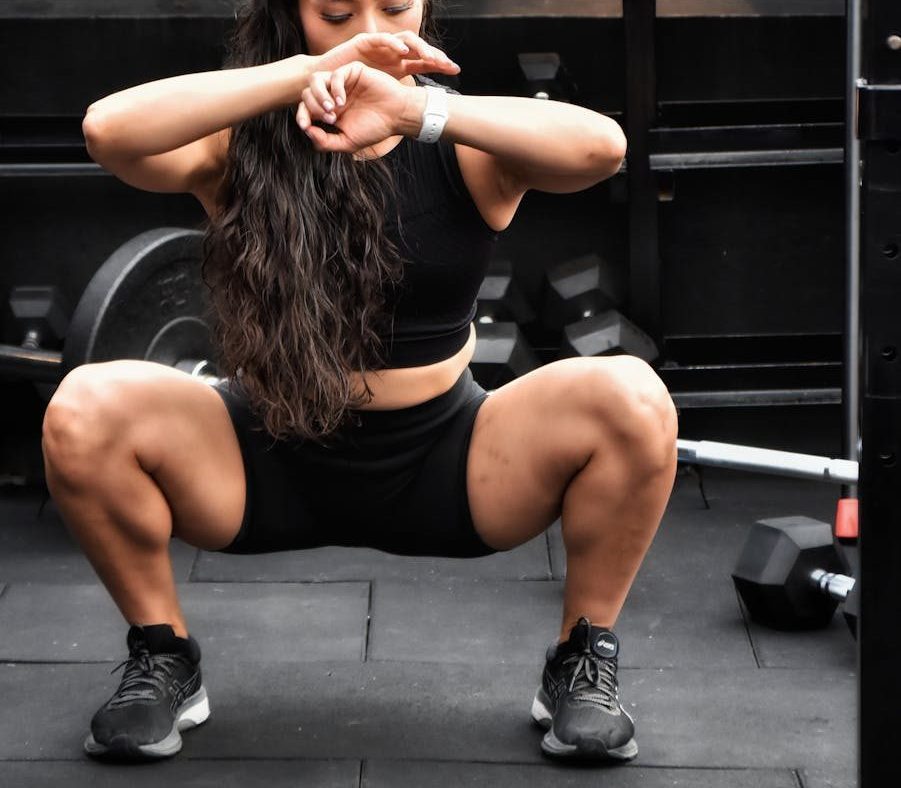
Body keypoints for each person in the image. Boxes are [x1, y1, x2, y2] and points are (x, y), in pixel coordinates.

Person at [41, 0, 678, 765]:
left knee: (632, 398)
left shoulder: (459, 139)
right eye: (336, 11)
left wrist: (417, 111)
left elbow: (600, 148)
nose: (368, 29)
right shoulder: (236, 143)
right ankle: (163, 656)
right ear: (292, 14)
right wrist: (303, 76)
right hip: (260, 459)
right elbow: (109, 132)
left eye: (395, 7)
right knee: (82, 407)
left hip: (448, 466)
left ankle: (580, 661)